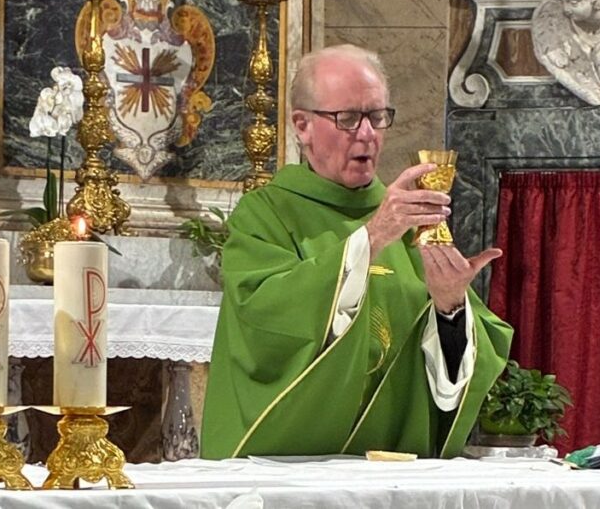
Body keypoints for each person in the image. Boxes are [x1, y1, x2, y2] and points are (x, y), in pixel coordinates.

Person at [200, 44, 513, 459]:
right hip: (293, 467)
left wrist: (450, 307)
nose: (367, 134)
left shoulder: (408, 221)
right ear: (302, 125)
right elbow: (265, 319)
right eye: (347, 118)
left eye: (377, 116)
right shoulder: (265, 215)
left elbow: (457, 375)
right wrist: (372, 238)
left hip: (389, 470)